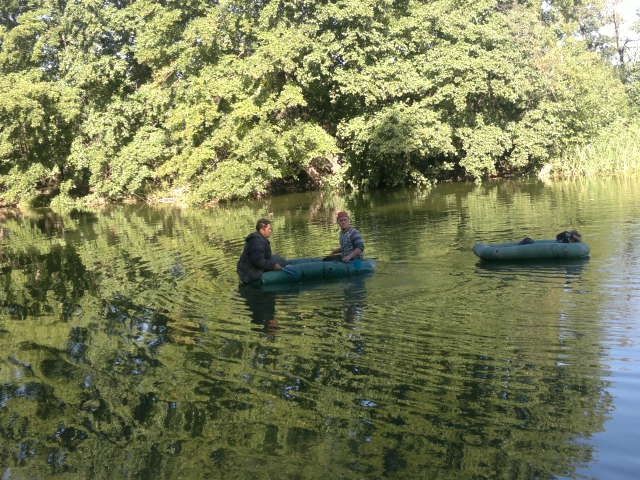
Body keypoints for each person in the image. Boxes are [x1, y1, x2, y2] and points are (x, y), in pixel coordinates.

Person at [237, 218, 283, 284]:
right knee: (275, 262)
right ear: (262, 229)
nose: (271, 231)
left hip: (249, 270)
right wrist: (273, 266)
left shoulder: (260, 238)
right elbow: (258, 261)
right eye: (269, 229)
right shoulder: (257, 242)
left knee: (277, 258)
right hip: (249, 275)